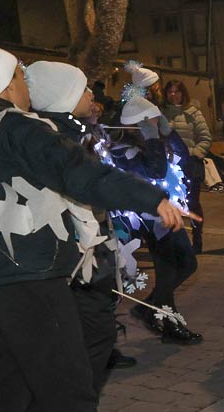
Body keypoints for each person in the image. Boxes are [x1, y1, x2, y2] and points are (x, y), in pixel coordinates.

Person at [0, 44, 188, 411]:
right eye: (20, 77)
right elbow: (77, 171)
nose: (27, 86)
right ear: (3, 85)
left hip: (2, 272)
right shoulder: (15, 126)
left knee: (9, 385)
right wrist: (151, 198)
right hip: (31, 273)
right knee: (68, 390)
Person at [24, 60, 155, 392]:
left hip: (91, 249)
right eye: (82, 89)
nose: (91, 95)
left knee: (94, 330)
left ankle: (76, 395)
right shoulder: (56, 140)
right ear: (64, 96)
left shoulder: (77, 132)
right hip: (73, 256)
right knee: (89, 333)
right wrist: (149, 199)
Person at [114, 89, 203, 344]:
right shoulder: (123, 150)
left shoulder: (155, 140)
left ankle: (149, 308)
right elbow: (155, 171)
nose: (155, 124)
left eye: (157, 119)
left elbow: (184, 160)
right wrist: (153, 138)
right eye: (151, 120)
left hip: (168, 213)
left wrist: (168, 133)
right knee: (167, 271)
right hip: (149, 219)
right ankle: (170, 326)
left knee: (188, 264)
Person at [162, 80, 212, 254]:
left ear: (183, 93)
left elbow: (205, 137)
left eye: (177, 91)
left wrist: (194, 153)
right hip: (169, 167)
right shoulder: (162, 114)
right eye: (170, 91)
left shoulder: (193, 113)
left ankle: (197, 240)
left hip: (189, 165)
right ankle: (175, 243)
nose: (173, 95)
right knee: (171, 205)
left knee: (193, 204)